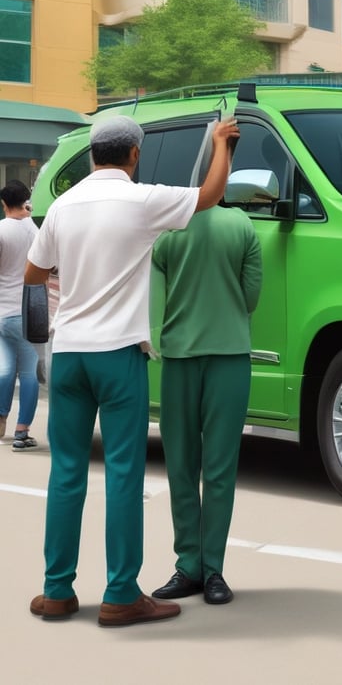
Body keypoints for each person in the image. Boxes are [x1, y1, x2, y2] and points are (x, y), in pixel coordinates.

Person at [24, 114, 239, 627]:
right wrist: (220, 143)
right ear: (134, 155)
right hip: (118, 353)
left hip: (68, 353)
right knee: (123, 474)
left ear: (92, 156)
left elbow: (33, 272)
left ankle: (57, 591)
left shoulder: (64, 206)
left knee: (66, 472)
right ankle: (121, 594)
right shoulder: (142, 200)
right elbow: (209, 195)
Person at [151, 200, 262, 605]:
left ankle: (188, 566)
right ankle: (213, 570)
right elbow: (250, 298)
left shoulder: (167, 230)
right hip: (230, 356)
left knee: (181, 466)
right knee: (220, 468)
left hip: (178, 357)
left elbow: (155, 300)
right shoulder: (243, 226)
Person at [0, 180, 40, 450]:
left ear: (3, 203)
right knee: (28, 372)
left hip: (1, 313)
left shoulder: (1, 230)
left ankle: (1, 416)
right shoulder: (35, 230)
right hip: (27, 312)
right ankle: (21, 432)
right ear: (26, 201)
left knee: (4, 369)